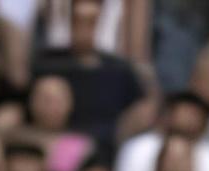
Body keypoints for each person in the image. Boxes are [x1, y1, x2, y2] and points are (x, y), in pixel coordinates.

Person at [32, 0, 153, 156]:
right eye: (78, 21)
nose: (83, 29)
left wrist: (121, 133)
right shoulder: (49, 65)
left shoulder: (118, 69)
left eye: (90, 22)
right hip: (52, 142)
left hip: (104, 148)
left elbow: (145, 104)